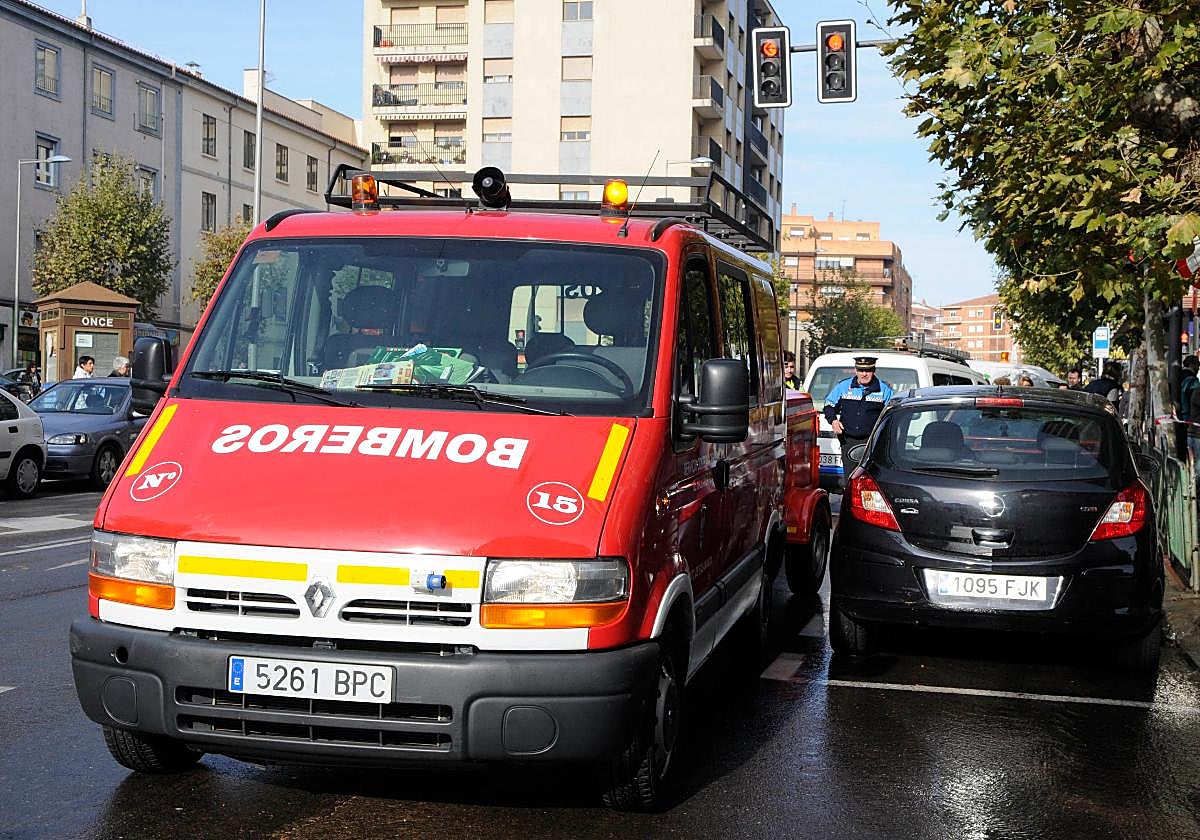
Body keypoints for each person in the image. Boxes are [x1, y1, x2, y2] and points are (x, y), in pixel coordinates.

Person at [823, 355, 894, 481]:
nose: (864, 374)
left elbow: (891, 415)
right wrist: (833, 421)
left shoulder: (884, 390)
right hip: (848, 441)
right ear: (855, 370)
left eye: (868, 370)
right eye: (861, 370)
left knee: (869, 480)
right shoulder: (844, 386)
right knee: (850, 480)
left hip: (872, 443)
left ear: (874, 371)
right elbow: (829, 406)